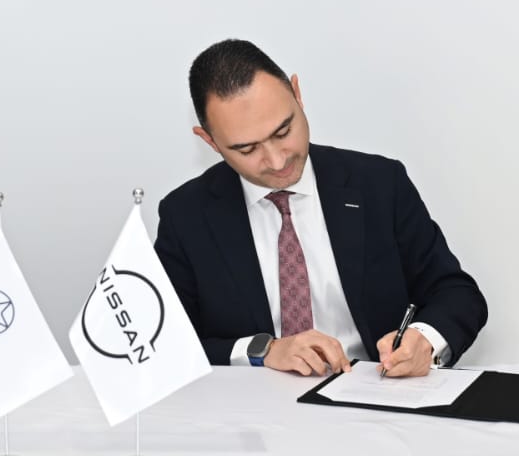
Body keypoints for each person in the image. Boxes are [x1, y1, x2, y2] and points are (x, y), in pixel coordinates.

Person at [155, 39, 486, 378]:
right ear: (209, 141)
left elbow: (457, 294)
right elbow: (162, 342)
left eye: (283, 131)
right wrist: (261, 351)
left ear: (297, 95)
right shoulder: (185, 216)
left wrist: (425, 340)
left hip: (373, 393)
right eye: (247, 149)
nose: (277, 160)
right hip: (254, 404)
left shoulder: (379, 184)